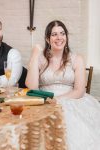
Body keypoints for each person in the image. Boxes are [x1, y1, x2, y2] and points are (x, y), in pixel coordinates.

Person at [26, 20, 100, 149]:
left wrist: (56, 100)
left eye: (62, 33)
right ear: (48, 39)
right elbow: (32, 87)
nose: (59, 37)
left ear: (66, 36)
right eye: (54, 34)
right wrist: (35, 55)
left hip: (72, 100)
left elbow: (79, 91)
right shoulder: (40, 59)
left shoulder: (77, 59)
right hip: (45, 101)